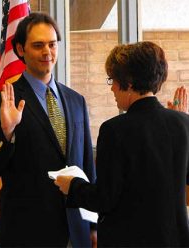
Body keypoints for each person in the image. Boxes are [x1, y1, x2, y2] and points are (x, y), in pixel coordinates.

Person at [0, 12, 96, 247]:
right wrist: (6, 132)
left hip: (76, 230)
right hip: (28, 233)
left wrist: (92, 225)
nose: (47, 52)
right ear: (20, 49)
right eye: (38, 45)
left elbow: (87, 167)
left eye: (52, 44)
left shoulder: (76, 100)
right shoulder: (3, 102)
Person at [55, 41, 189, 247]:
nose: (112, 89)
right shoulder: (183, 122)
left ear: (129, 82)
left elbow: (105, 199)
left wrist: (72, 186)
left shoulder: (114, 130)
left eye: (113, 80)